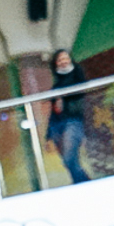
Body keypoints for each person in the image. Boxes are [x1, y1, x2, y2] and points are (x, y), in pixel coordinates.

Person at [46, 49, 91, 184]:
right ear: (56, 63)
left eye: (66, 58)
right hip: (57, 124)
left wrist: (61, 96)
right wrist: (48, 136)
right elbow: (52, 112)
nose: (63, 62)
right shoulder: (56, 86)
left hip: (73, 121)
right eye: (60, 60)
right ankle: (80, 184)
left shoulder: (77, 75)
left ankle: (85, 183)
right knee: (67, 161)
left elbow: (79, 91)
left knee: (69, 158)